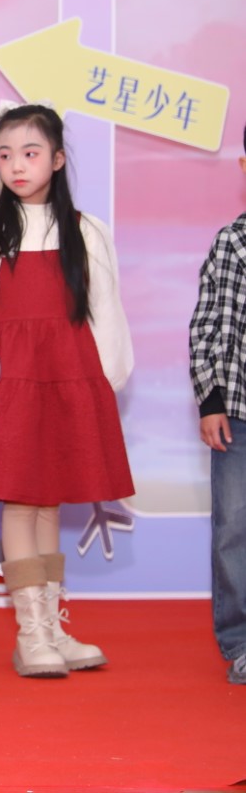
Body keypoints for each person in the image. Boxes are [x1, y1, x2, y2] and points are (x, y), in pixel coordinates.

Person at [0, 103, 133, 678]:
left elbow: (106, 315)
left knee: (49, 503)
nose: (17, 166)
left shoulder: (86, 231)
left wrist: (100, 387)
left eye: (30, 153)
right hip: (12, 387)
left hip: (69, 382)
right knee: (22, 503)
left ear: (57, 159)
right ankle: (31, 634)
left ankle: (51, 628)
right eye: (5, 156)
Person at [188, 122, 246, 685]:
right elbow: (209, 325)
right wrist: (211, 400)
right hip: (240, 417)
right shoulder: (234, 242)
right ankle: (240, 641)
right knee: (234, 527)